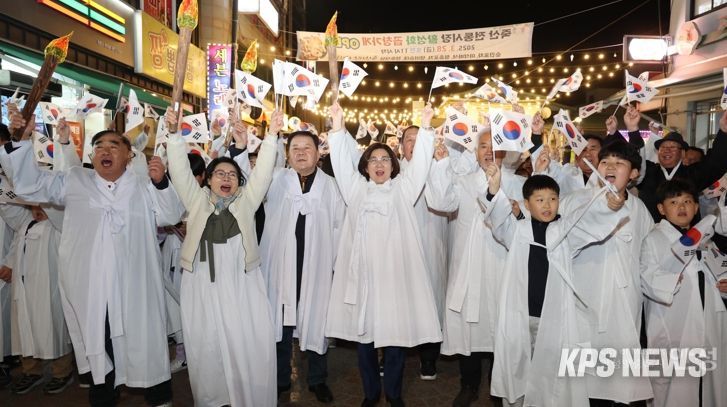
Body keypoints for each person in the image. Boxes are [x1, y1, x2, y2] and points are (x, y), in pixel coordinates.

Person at [2, 110, 181, 407]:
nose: (105, 151)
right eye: (99, 146)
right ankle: (103, 397)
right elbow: (30, 185)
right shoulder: (75, 181)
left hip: (136, 289)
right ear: (91, 155)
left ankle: (159, 398)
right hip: (93, 291)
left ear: (129, 156)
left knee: (145, 342)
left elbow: (171, 215)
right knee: (100, 344)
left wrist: (161, 183)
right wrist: (21, 138)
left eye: (113, 146)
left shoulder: (143, 186)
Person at [486, 154, 628, 406]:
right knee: (516, 367)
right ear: (527, 204)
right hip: (520, 313)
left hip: (552, 316)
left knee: (550, 374)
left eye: (553, 199)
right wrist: (494, 190)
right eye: (539, 200)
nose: (547, 205)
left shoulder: (564, 231)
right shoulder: (517, 230)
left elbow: (589, 221)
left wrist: (610, 206)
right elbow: (497, 221)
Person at [325, 102, 442, 407]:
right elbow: (340, 163)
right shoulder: (355, 190)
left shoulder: (404, 189)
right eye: (373, 159)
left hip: (394, 280)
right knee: (364, 341)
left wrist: (425, 127)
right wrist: (337, 127)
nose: (379, 164)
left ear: (393, 165)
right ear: (365, 167)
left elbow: (420, 165)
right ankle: (370, 394)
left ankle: (393, 393)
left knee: (395, 341)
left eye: (385, 159)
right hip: (363, 279)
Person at [164, 108, 281, 407]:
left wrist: (271, 136)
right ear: (208, 180)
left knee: (246, 340)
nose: (226, 178)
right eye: (220, 173)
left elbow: (263, 173)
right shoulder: (196, 200)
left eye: (232, 175)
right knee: (206, 344)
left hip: (242, 283)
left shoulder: (247, 201)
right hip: (201, 283)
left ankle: (248, 395)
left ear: (240, 182)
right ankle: (214, 399)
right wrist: (174, 136)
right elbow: (179, 172)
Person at [559, 141, 655, 405]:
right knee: (583, 375)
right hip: (584, 298)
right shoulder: (575, 201)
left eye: (619, 163)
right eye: (604, 162)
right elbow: (562, 241)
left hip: (624, 300)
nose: (610, 167)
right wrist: (604, 211)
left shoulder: (639, 209)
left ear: (633, 173)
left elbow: (649, 254)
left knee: (619, 377)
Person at [260, 129, 344, 403]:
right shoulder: (275, 179)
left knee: (317, 319)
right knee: (280, 322)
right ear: (287, 154)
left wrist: (337, 266)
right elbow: (247, 183)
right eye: (294, 147)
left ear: (318, 153)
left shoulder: (332, 186)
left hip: (317, 265)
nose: (300, 152)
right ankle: (280, 378)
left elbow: (339, 227)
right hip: (281, 265)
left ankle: (317, 379)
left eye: (307, 147)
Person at [641, 179, 727, 407]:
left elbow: (716, 273)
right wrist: (671, 279)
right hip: (672, 324)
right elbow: (647, 279)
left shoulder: (705, 241)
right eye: (674, 202)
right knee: (672, 389)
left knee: (708, 386)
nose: (681, 207)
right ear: (661, 208)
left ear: (696, 207)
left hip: (708, 323)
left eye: (687, 201)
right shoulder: (654, 240)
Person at [399, 124, 450, 380]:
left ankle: (428, 357)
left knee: (431, 297)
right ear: (401, 147)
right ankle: (391, 353)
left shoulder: (437, 170)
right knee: (397, 300)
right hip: (399, 249)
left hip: (431, 244)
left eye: (420, 140)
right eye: (410, 140)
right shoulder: (392, 173)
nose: (415, 144)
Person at [8, 204, 74, 395]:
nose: (37, 211)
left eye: (42, 207)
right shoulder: (25, 223)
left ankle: (62, 372)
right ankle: (31, 370)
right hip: (24, 287)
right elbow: (9, 212)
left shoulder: (58, 225)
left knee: (53, 328)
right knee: (25, 328)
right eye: (33, 207)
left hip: (49, 287)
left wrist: (50, 209)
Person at [625, 109, 727, 221]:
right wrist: (633, 130)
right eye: (663, 147)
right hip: (650, 230)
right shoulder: (648, 171)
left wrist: (723, 131)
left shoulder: (693, 174)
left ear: (682, 153)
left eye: (672, 147)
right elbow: (633, 160)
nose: (667, 150)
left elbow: (716, 163)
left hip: (687, 231)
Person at [159, 152, 206, 375]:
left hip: (199, 263)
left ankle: (200, 355)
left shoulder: (208, 197)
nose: (188, 180)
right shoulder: (170, 195)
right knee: (174, 308)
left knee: (196, 309)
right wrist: (168, 227)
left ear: (203, 176)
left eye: (193, 175)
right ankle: (182, 354)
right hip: (171, 258)